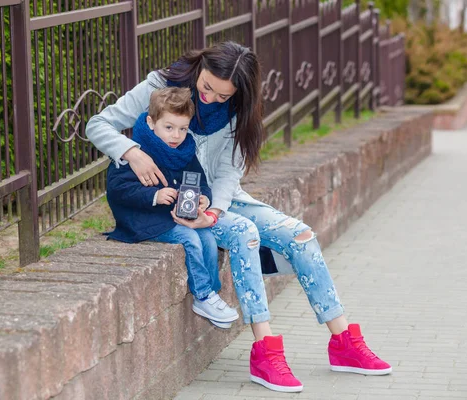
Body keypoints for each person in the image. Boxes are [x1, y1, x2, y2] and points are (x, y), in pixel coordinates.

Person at [86, 41, 391, 393]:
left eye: (222, 95)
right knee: (244, 233)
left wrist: (213, 211)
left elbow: (230, 173)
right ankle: (265, 350)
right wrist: (131, 152)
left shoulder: (237, 110)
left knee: (301, 235)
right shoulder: (160, 86)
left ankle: (343, 343)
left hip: (218, 201)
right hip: (164, 202)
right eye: (206, 88)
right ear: (201, 67)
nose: (210, 99)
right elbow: (99, 123)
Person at [104, 86, 239, 328]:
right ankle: (203, 295)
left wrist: (204, 199)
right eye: (169, 127)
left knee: (206, 236)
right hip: (143, 220)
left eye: (183, 129)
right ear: (151, 122)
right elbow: (118, 189)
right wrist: (154, 195)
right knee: (190, 238)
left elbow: (201, 181)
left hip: (174, 216)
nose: (176, 135)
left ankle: (212, 294)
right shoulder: (135, 153)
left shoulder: (185, 150)